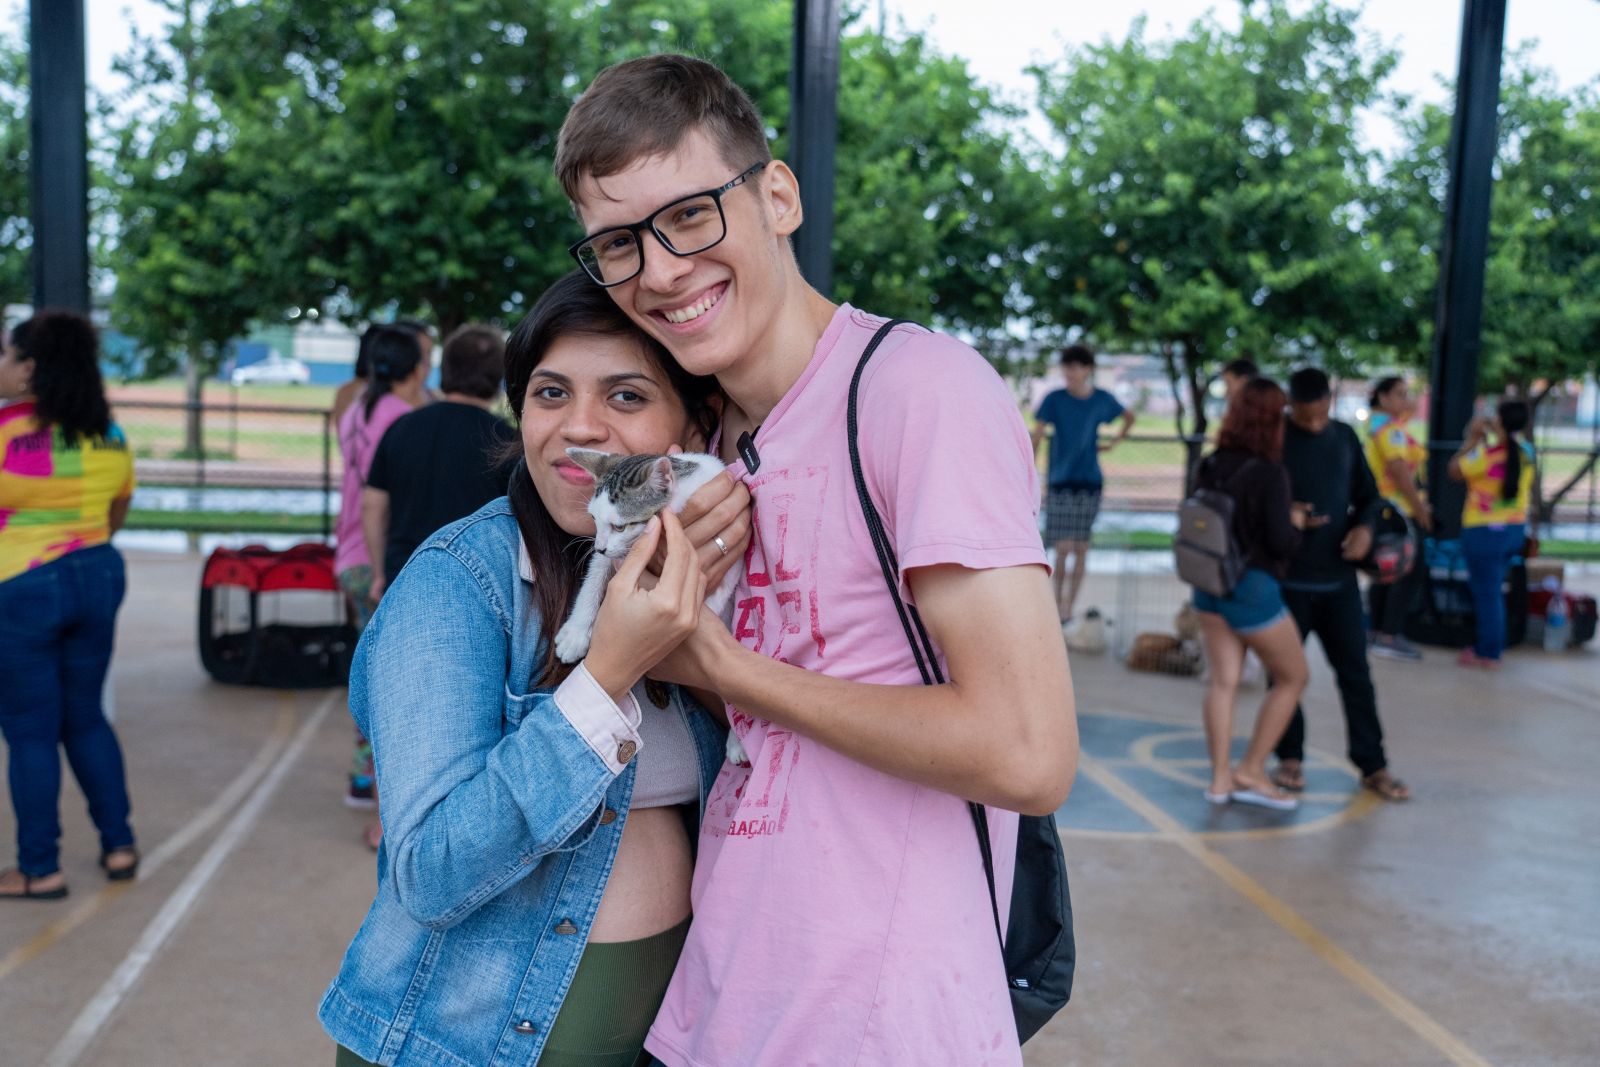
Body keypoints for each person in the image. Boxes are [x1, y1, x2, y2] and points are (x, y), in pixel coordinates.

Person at [556, 54, 1078, 1065]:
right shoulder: (713, 446)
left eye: (691, 215)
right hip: (715, 1008)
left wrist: (715, 662)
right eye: (618, 244)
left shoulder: (915, 391)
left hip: (878, 1027)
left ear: (778, 195)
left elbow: (1028, 752)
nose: (660, 270)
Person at [319, 272, 751, 1067]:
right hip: (468, 1041)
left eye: (625, 397)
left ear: (698, 423)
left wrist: (702, 646)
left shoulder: (700, 574)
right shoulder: (459, 581)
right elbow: (429, 871)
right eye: (550, 393)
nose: (578, 427)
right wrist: (608, 672)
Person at [0, 311, 140, 899]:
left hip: (25, 584)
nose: (2, 366)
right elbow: (118, 511)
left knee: (31, 731)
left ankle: (40, 868)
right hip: (99, 575)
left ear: (31, 368)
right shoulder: (107, 430)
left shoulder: (7, 431)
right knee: (84, 716)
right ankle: (119, 845)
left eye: (8, 355)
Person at [1272, 369, 1410, 801]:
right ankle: (1289, 757)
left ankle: (1373, 765)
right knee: (1285, 678)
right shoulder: (1274, 439)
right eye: (1304, 418)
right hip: (1289, 582)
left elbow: (1372, 498)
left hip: (1339, 582)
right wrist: (1287, 510)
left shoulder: (1345, 438)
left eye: (1319, 416)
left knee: (1357, 676)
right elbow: (1254, 502)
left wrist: (1366, 529)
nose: (1313, 425)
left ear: (1330, 403)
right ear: (1291, 406)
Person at [1189, 377, 1309, 810]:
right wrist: (1295, 523)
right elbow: (1279, 542)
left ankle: (1220, 780)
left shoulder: (1213, 462)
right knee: (1295, 678)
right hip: (1252, 590)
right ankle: (1252, 769)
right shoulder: (1270, 473)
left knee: (1224, 682)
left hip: (1207, 587)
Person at [334, 326, 427, 841]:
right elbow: (381, 504)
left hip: (348, 555)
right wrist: (382, 570)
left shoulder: (356, 410)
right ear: (415, 368)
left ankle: (361, 776)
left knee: (369, 675)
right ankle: (381, 805)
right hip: (376, 563)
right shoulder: (402, 417)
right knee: (391, 684)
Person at [362, 324, 517, 601]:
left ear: (444, 369)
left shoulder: (401, 427)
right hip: (479, 585)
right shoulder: (507, 442)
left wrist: (378, 574)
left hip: (404, 576)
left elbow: (373, 507)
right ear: (497, 377)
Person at [1031, 343, 1136, 622]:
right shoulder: (1054, 399)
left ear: (1088, 369)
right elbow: (1038, 435)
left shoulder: (1102, 399)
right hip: (1060, 481)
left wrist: (1113, 443)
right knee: (1062, 548)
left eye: (1077, 366)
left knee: (1081, 547)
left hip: (1089, 481)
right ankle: (1056, 604)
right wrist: (1027, 466)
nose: (1071, 372)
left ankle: (1069, 608)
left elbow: (1128, 417)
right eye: (1067, 366)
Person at [1448, 399, 1535, 670]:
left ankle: (1488, 651)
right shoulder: (1527, 452)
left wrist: (1472, 438)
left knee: (1487, 594)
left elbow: (1454, 469)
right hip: (1513, 531)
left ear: (1498, 421)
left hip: (1483, 532)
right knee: (1494, 590)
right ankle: (1491, 645)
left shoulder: (1486, 454)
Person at [1364, 376, 1430, 661]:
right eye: (1400, 394)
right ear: (1382, 397)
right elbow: (1400, 471)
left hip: (1386, 509)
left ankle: (1378, 632)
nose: (1407, 401)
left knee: (1386, 572)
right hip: (1399, 511)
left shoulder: (1382, 425)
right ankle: (1388, 634)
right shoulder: (1389, 430)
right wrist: (1420, 509)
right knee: (1408, 572)